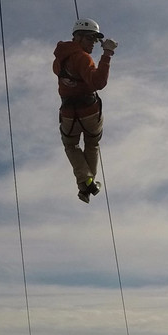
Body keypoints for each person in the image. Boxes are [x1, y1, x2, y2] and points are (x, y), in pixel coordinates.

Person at [52, 18, 118, 203]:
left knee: (71, 145)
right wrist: (107, 53)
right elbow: (99, 82)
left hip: (68, 114)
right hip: (89, 111)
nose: (93, 43)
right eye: (90, 39)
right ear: (78, 38)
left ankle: (85, 185)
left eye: (95, 40)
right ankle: (88, 182)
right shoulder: (82, 58)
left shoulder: (59, 60)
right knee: (92, 143)